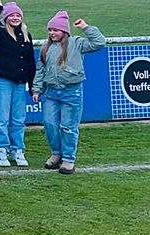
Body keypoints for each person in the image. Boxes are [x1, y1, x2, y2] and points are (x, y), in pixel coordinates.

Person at [32, 12, 105, 175]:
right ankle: (56, 153)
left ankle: (68, 159)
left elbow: (99, 42)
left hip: (71, 92)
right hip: (51, 92)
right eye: (50, 30)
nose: (52, 33)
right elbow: (40, 69)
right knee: (49, 124)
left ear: (64, 31)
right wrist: (37, 89)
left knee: (68, 127)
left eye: (55, 30)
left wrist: (86, 27)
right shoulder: (45, 47)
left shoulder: (77, 43)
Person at [0, 0, 36, 167]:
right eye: (12, 15)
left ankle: (17, 149)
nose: (15, 18)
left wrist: (33, 86)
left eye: (18, 15)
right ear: (6, 18)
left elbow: (30, 62)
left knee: (19, 118)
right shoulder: (0, 33)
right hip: (3, 79)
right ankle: (0, 149)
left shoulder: (26, 36)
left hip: (20, 82)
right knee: (2, 117)